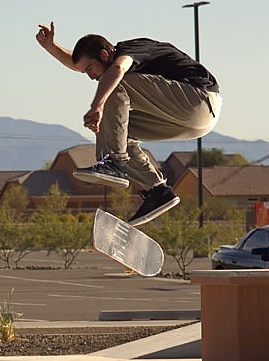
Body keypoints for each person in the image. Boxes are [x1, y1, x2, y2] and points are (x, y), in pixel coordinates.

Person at [35, 22, 222, 225]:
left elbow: (117, 69)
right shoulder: (110, 60)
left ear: (105, 54)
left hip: (199, 99)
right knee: (116, 127)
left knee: (114, 82)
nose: (91, 77)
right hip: (190, 118)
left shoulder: (129, 52)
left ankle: (114, 162)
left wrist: (97, 106)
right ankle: (157, 189)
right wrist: (51, 48)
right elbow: (78, 64)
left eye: (90, 69)